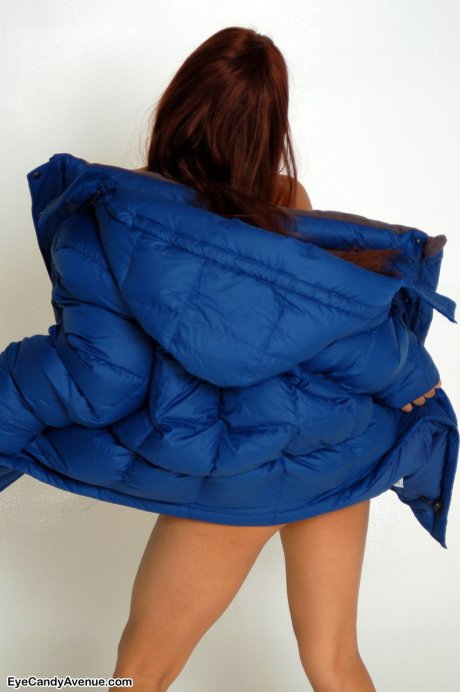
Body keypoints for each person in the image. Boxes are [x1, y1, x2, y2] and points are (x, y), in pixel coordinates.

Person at [104, 27, 443, 691]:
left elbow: (115, 353)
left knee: (136, 675)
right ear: (270, 122)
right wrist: (406, 375)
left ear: (180, 102)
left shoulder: (125, 204)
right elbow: (320, 328)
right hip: (337, 445)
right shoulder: (287, 197)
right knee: (336, 662)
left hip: (242, 457)